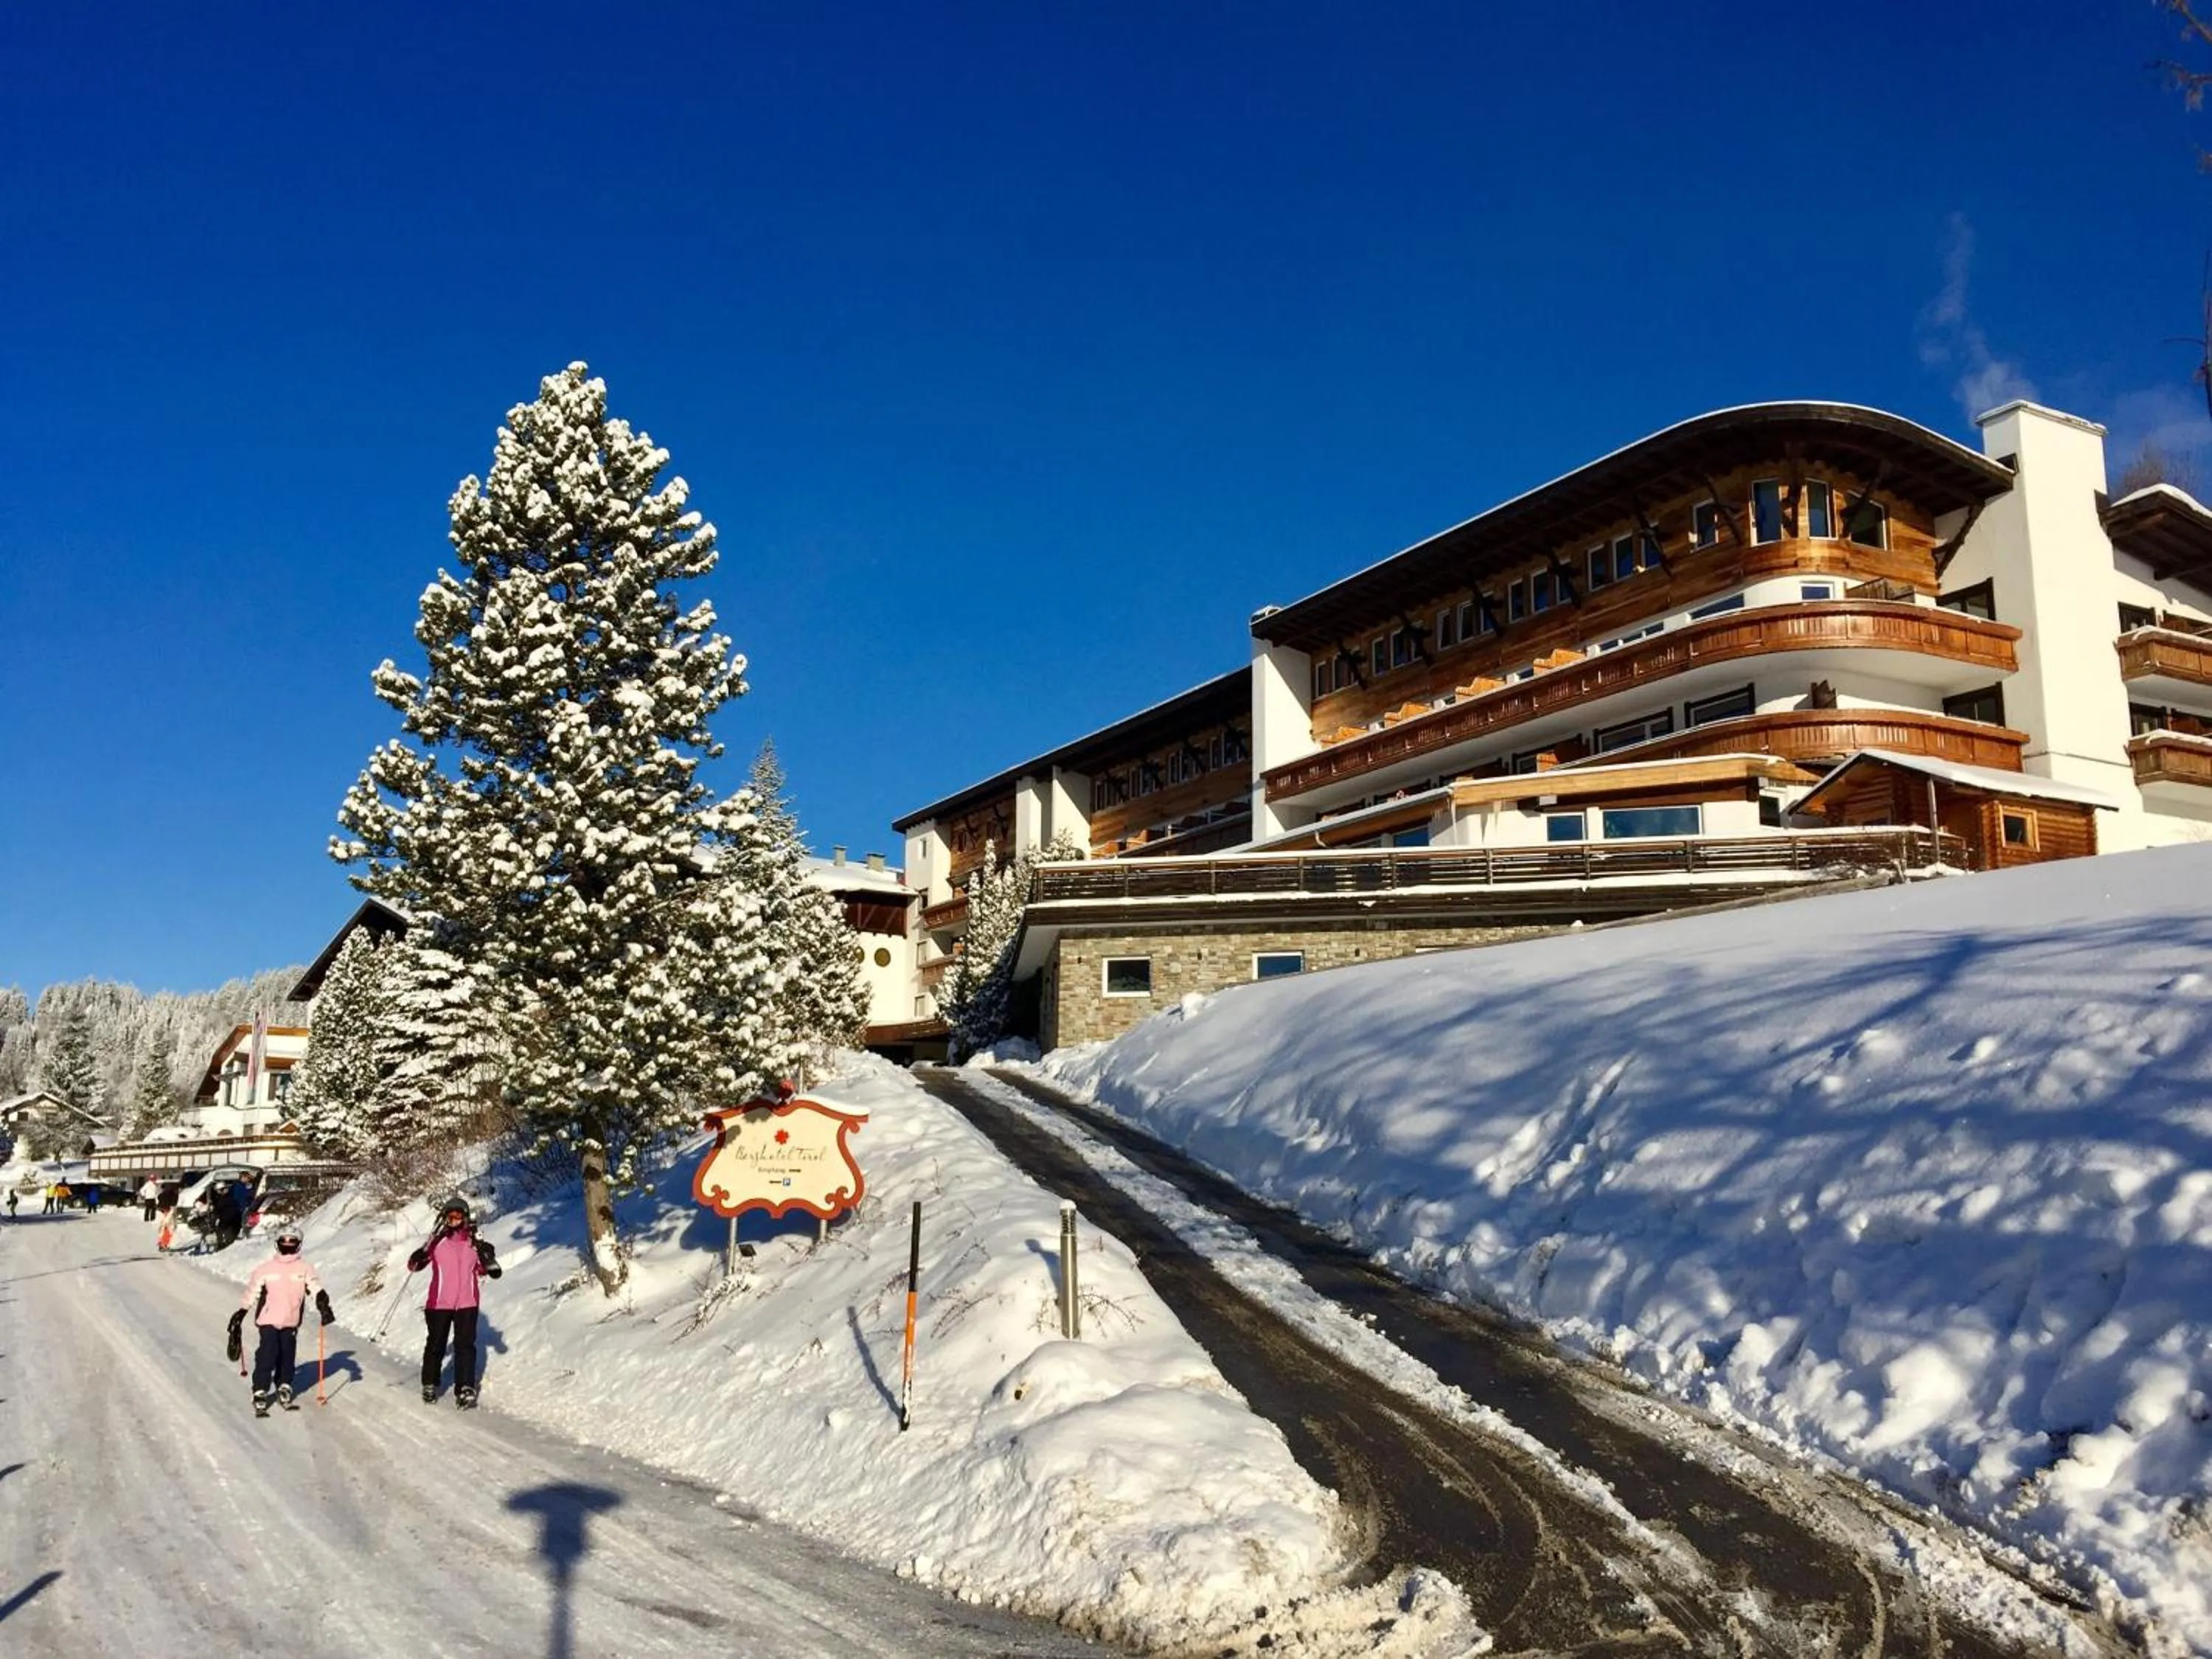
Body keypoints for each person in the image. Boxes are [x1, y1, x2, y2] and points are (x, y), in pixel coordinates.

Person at [407, 1197, 501, 1409]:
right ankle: (430, 1383)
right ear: (445, 1218)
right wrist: (420, 1253)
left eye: (459, 1216)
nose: (455, 1220)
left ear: (465, 1217)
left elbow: (482, 1270)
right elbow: (413, 1266)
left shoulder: (473, 1243)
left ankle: (465, 1387)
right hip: (440, 1302)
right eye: (451, 1216)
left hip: (467, 1302)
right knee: (436, 1344)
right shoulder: (438, 1241)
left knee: (465, 1346)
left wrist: (487, 1256)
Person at [230, 1226, 334, 1416]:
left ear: (298, 1244)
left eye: (292, 1241)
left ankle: (284, 1384)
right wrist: (242, 1311)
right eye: (284, 1241)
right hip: (268, 1319)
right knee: (267, 1354)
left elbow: (315, 1285)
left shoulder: (304, 1268)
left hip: (291, 1320)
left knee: (287, 1355)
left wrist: (323, 1302)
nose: (288, 1244)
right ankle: (260, 1389)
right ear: (277, 1244)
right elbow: (252, 1291)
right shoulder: (266, 1269)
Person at [210, 1183, 243, 1251]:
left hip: (230, 1223)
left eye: (218, 1191)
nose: (218, 1192)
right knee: (220, 1232)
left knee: (228, 1239)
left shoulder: (227, 1199)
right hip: (228, 1222)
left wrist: (218, 1220)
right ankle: (221, 1246)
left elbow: (223, 1211)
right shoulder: (222, 1198)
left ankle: (223, 1247)